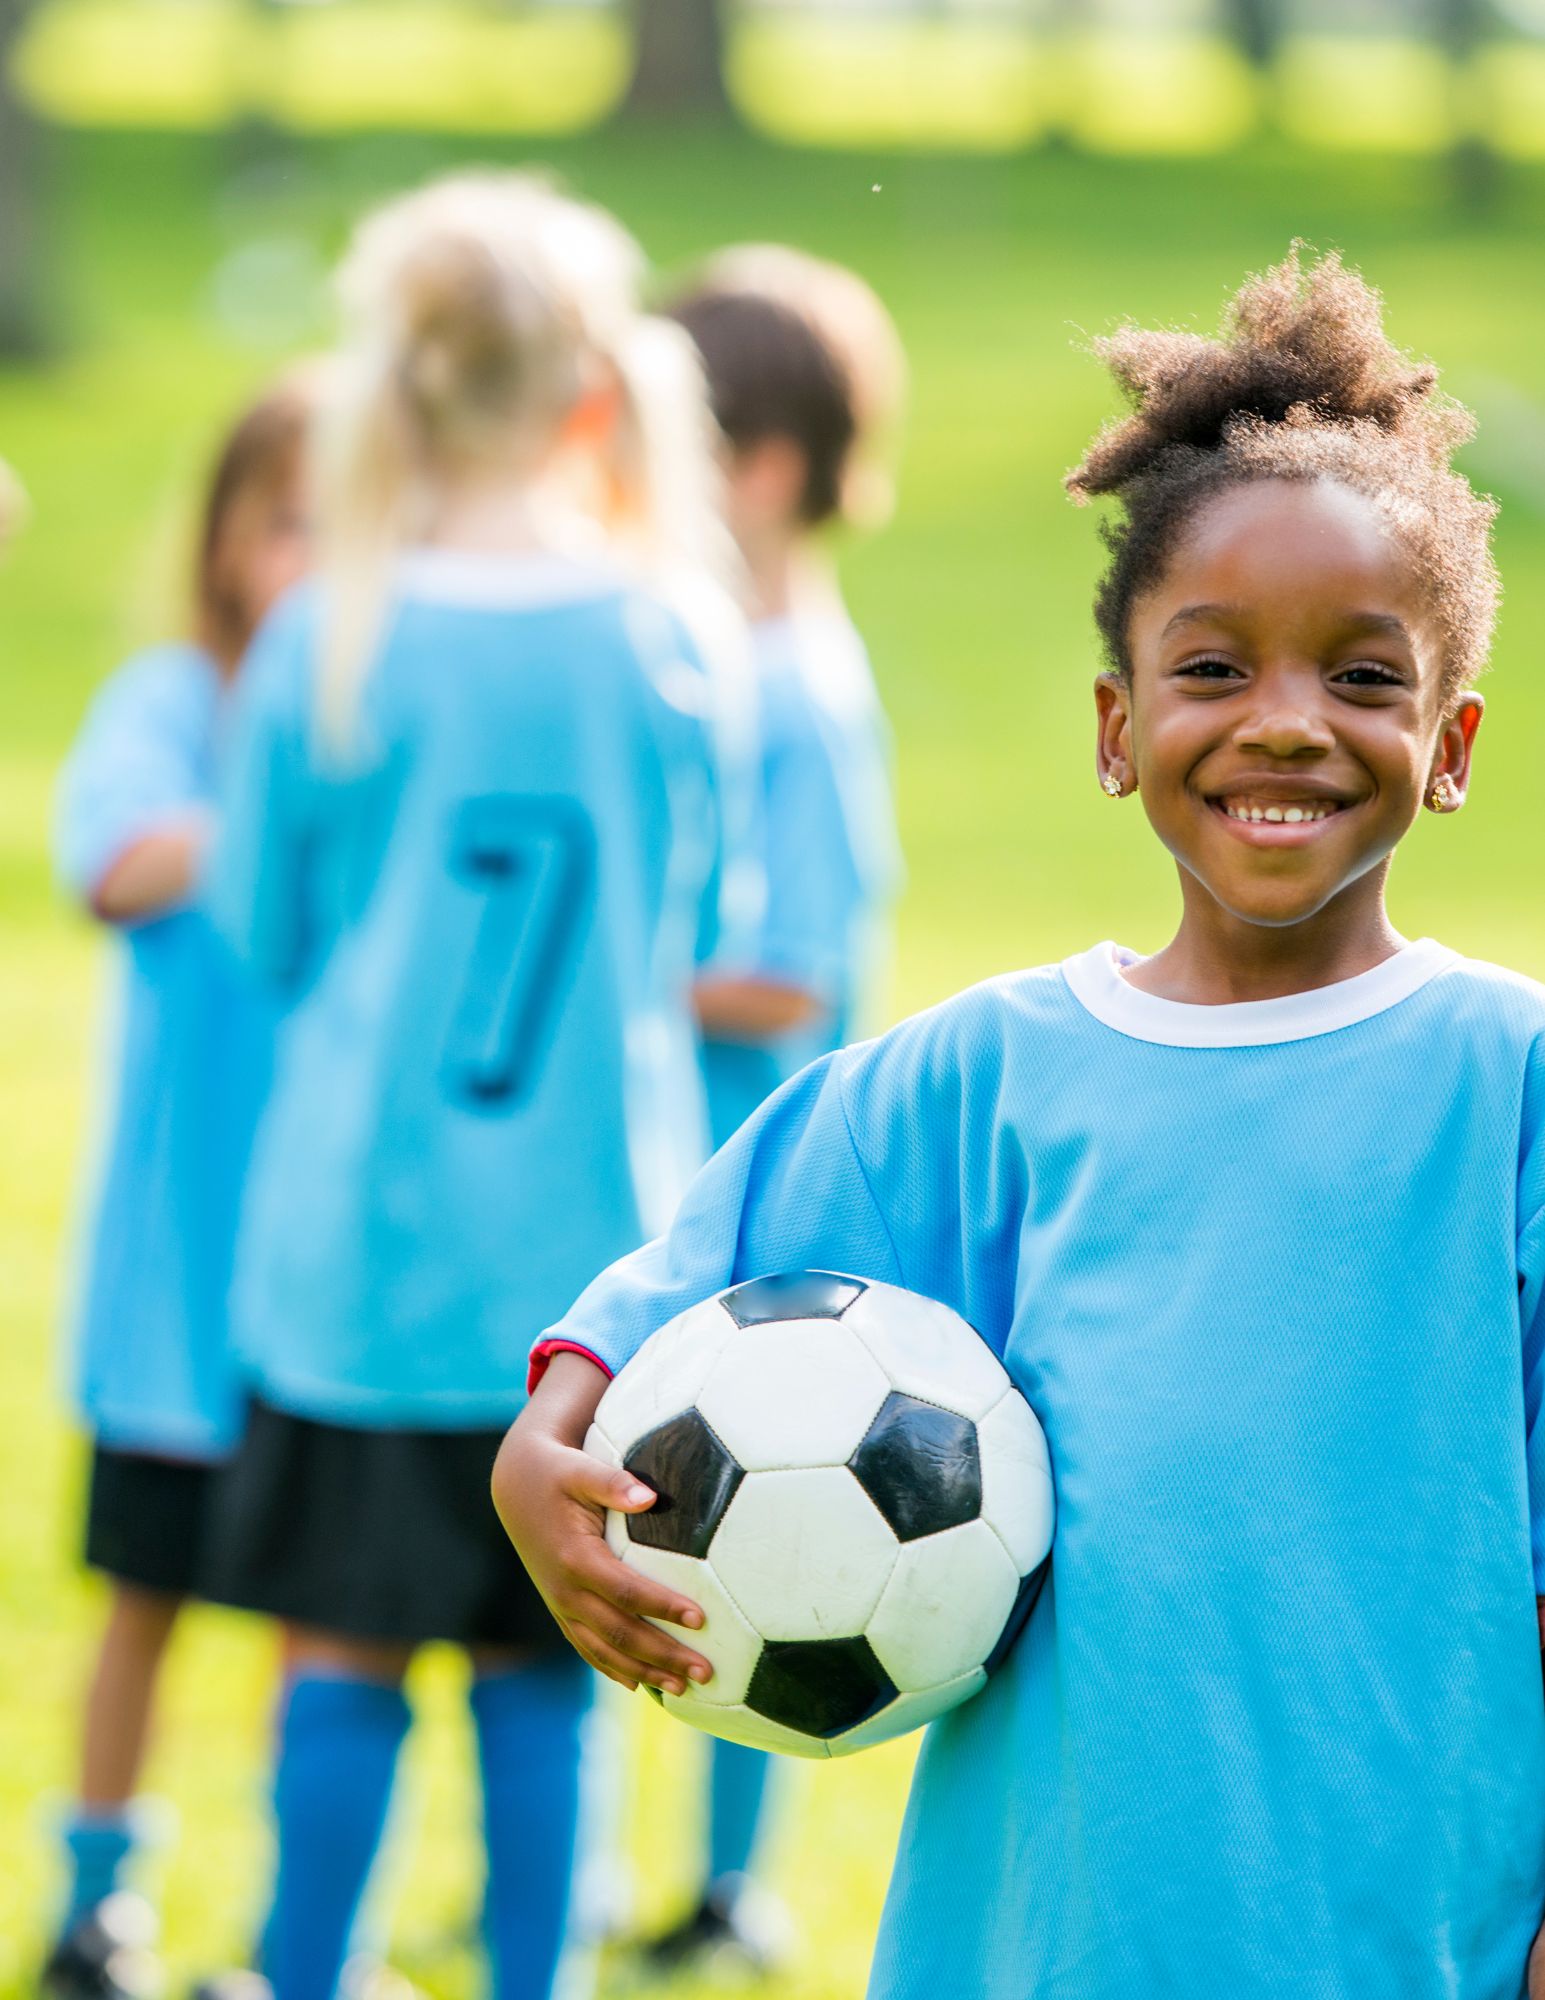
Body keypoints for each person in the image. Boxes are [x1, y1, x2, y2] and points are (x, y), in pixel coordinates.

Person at [494, 248, 1545, 2000]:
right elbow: (697, 1269)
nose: (1284, 721)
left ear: (1448, 744)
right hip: (1052, 1937)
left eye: (1362, 680)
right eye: (1213, 670)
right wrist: (554, 1440)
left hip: (1409, 1926)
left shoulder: (1504, 1084)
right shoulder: (981, 1079)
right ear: (1118, 730)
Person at [198, 172, 750, 2000]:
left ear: (397, 398)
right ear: (593, 395)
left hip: (358, 1254)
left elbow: (263, 922)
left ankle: (302, 1972)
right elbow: (697, 918)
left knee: (341, 1652)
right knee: (540, 1661)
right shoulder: (670, 637)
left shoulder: (328, 636)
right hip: (581, 1280)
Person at [628, 247, 905, 1977]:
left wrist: (620, 980)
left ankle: (733, 1884)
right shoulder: (735, 650)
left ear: (765, 467)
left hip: (767, 1179)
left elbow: (790, 972)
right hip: (701, 1159)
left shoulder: (791, 685)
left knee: (770, 1539)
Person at [46, 379, 312, 2000]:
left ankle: (295, 1927)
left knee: (313, 1629)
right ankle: (95, 1901)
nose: (306, 564)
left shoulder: (391, 731)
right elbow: (111, 862)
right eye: (281, 523)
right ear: (218, 539)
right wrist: (272, 805)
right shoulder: (174, 702)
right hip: (175, 1276)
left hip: (319, 1286)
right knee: (145, 1601)